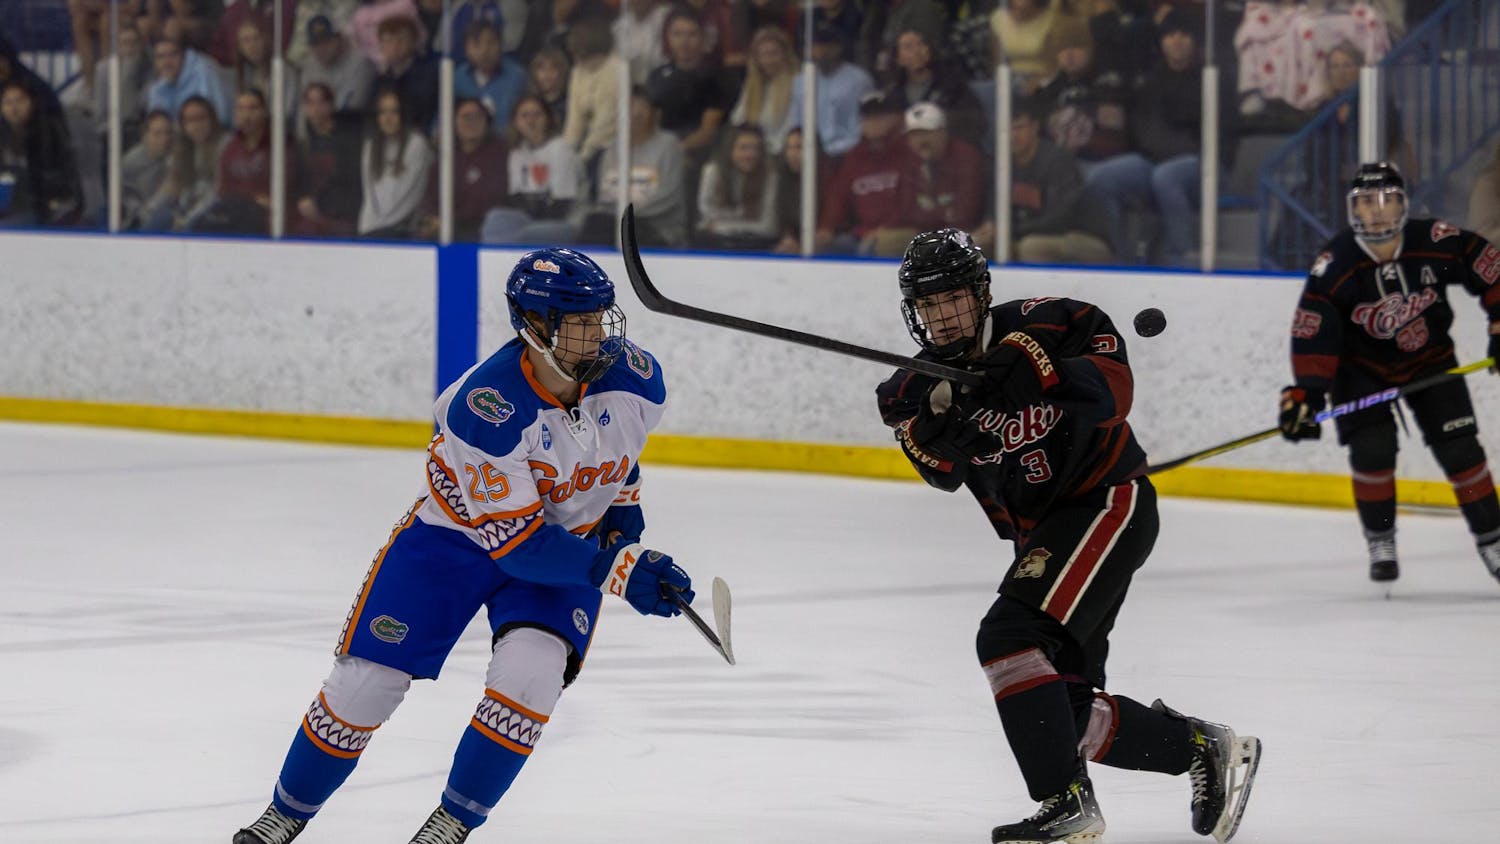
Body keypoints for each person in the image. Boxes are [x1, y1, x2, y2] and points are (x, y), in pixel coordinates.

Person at [232, 247, 694, 844]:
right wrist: (620, 570)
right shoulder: (484, 409)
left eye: (602, 318)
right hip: (453, 545)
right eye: (579, 323)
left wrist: (623, 516)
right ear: (534, 326)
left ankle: (451, 823)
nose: (598, 335)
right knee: (365, 683)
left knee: (530, 678)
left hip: (562, 548)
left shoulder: (637, 377)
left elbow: (619, 457)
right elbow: (521, 546)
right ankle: (285, 814)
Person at [875, 228, 1261, 844]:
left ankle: (1065, 802)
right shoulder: (907, 388)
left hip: (1107, 502)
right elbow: (938, 470)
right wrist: (946, 426)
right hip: (1042, 537)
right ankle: (1201, 749)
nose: (944, 315)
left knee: (1007, 636)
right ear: (914, 313)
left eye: (954, 298)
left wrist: (1038, 368)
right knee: (1064, 705)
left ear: (980, 294)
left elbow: (1115, 395)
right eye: (929, 304)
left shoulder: (1054, 323)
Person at [1279, 161, 1500, 586]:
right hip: (1360, 371)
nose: (1376, 211)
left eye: (1385, 200)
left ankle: (1493, 539)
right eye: (1365, 203)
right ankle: (1381, 539)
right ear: (1352, 210)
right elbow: (1314, 333)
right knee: (1373, 452)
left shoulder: (1433, 240)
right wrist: (1306, 395)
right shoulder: (1335, 264)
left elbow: (1491, 268)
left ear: (1403, 204)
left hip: (1431, 362)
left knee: (1461, 453)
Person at [358, 88, 434, 238]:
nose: (388, 118)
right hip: (371, 227)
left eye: (394, 112)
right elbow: (369, 192)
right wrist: (368, 227)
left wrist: (385, 225)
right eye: (383, 112)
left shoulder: (417, 144)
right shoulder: (370, 145)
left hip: (402, 228)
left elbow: (411, 192)